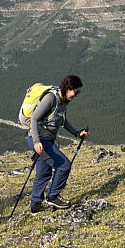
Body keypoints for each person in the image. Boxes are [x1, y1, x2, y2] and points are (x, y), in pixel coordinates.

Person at [28, 74, 89, 213]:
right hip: (38, 140)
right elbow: (34, 119)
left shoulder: (63, 102)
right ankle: (53, 196)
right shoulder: (51, 98)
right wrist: (37, 142)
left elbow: (63, 121)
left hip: (46, 140)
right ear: (68, 88)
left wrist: (76, 133)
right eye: (76, 91)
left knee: (43, 172)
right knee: (64, 165)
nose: (77, 95)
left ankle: (36, 205)